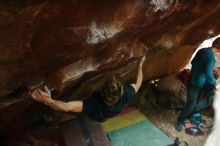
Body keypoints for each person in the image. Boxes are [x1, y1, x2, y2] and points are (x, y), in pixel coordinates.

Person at [31, 56, 146, 122]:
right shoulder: (127, 94)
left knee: (75, 110)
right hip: (104, 117)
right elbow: (138, 83)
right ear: (121, 93)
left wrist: (49, 101)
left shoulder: (93, 105)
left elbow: (67, 107)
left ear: (102, 91)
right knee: (77, 110)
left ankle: (53, 117)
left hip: (94, 114)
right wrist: (140, 65)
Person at [175, 37, 220, 131]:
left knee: (195, 101)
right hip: (199, 83)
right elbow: (207, 72)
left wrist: (203, 70)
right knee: (196, 103)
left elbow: (193, 62)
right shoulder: (211, 56)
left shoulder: (203, 50)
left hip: (193, 78)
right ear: (217, 46)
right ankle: (180, 121)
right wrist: (213, 82)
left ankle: (190, 114)